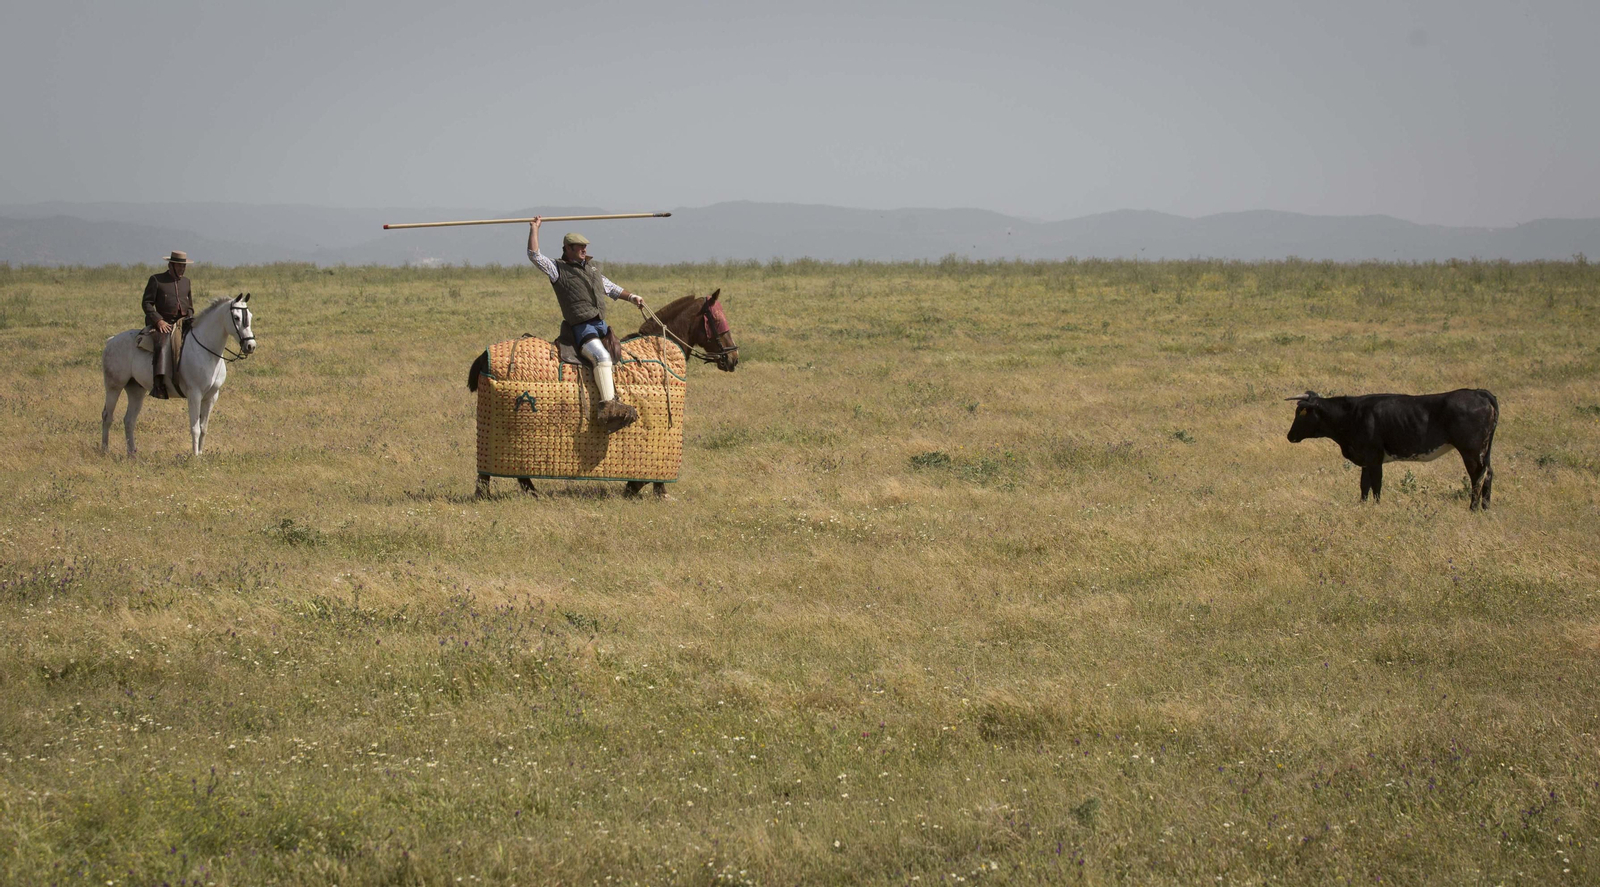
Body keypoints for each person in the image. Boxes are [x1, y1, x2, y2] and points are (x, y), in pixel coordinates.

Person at [527, 217, 647, 428]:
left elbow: (611, 288)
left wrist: (632, 297)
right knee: (601, 357)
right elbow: (534, 256)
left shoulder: (592, 269)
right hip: (582, 327)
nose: (584, 249)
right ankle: (609, 408)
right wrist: (534, 229)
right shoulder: (558, 269)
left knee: (618, 354)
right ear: (568, 248)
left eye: (585, 246)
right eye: (580, 247)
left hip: (601, 325)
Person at [141, 250, 195, 399]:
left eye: (184, 267)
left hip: (183, 322)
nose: (182, 269)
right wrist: (158, 320)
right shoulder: (157, 280)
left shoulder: (186, 282)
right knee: (163, 344)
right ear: (171, 265)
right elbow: (147, 304)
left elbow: (190, 305)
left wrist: (190, 316)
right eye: (179, 266)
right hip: (163, 323)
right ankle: (158, 384)